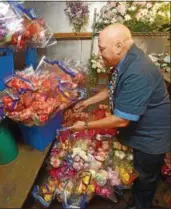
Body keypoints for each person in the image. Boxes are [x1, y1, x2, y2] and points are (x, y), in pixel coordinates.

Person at [68, 24, 171, 209]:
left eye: (101, 49)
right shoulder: (125, 61)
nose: (99, 53)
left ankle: (141, 205)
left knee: (146, 178)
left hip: (152, 138)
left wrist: (85, 125)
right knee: (138, 173)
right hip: (142, 132)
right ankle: (137, 198)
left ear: (118, 45)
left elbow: (122, 119)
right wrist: (87, 102)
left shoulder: (138, 70)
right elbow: (111, 88)